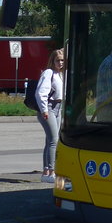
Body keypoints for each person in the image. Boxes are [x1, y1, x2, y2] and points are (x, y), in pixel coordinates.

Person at [35, 48, 66, 182]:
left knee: (49, 141)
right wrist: (44, 110)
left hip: (58, 108)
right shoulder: (49, 73)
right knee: (54, 140)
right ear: (52, 61)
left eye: (62, 60)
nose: (60, 63)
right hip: (49, 107)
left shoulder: (61, 74)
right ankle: (52, 172)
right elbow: (41, 93)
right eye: (58, 60)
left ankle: (46, 172)